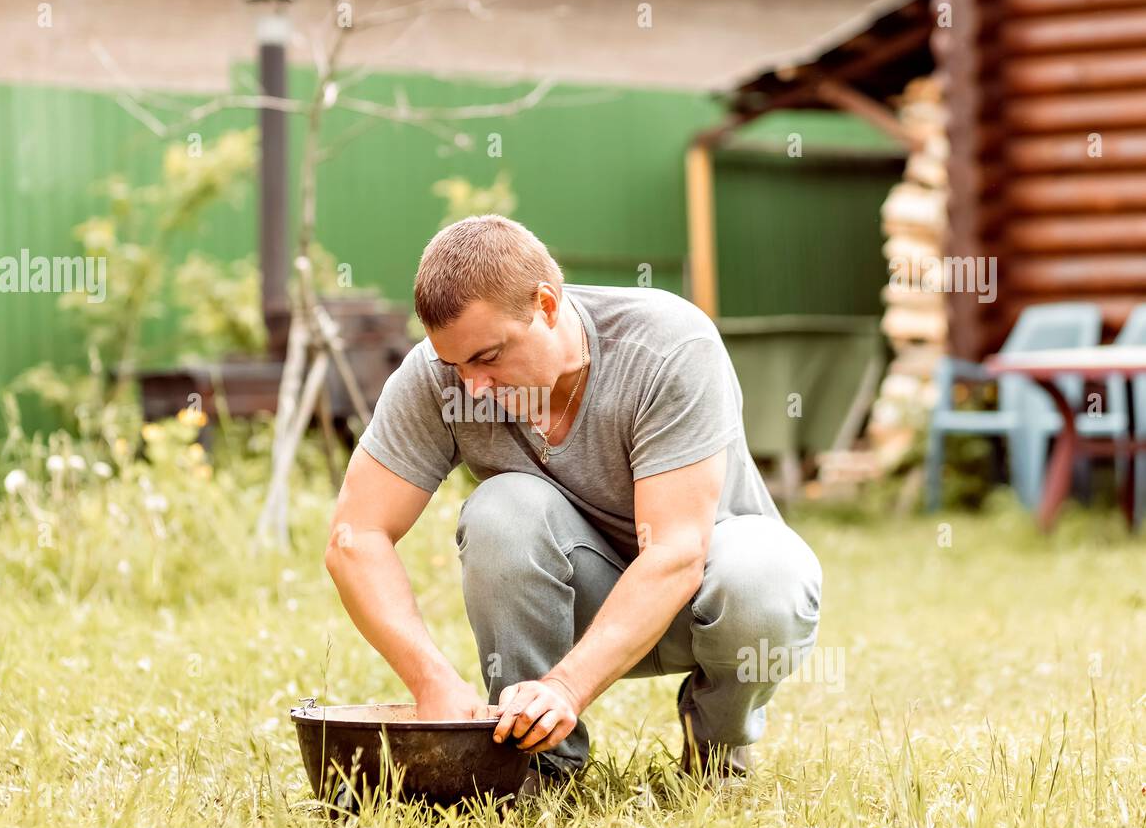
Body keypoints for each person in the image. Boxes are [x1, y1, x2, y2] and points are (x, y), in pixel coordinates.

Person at [323, 214, 822, 791]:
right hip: (574, 606)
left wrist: (567, 687)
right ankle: (536, 761)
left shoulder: (668, 345)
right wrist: (431, 679)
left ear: (546, 304)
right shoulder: (442, 377)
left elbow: (677, 555)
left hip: (704, 604)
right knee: (502, 508)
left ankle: (714, 752)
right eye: (454, 364)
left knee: (766, 577)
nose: (472, 386)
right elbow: (353, 537)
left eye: (487, 357)